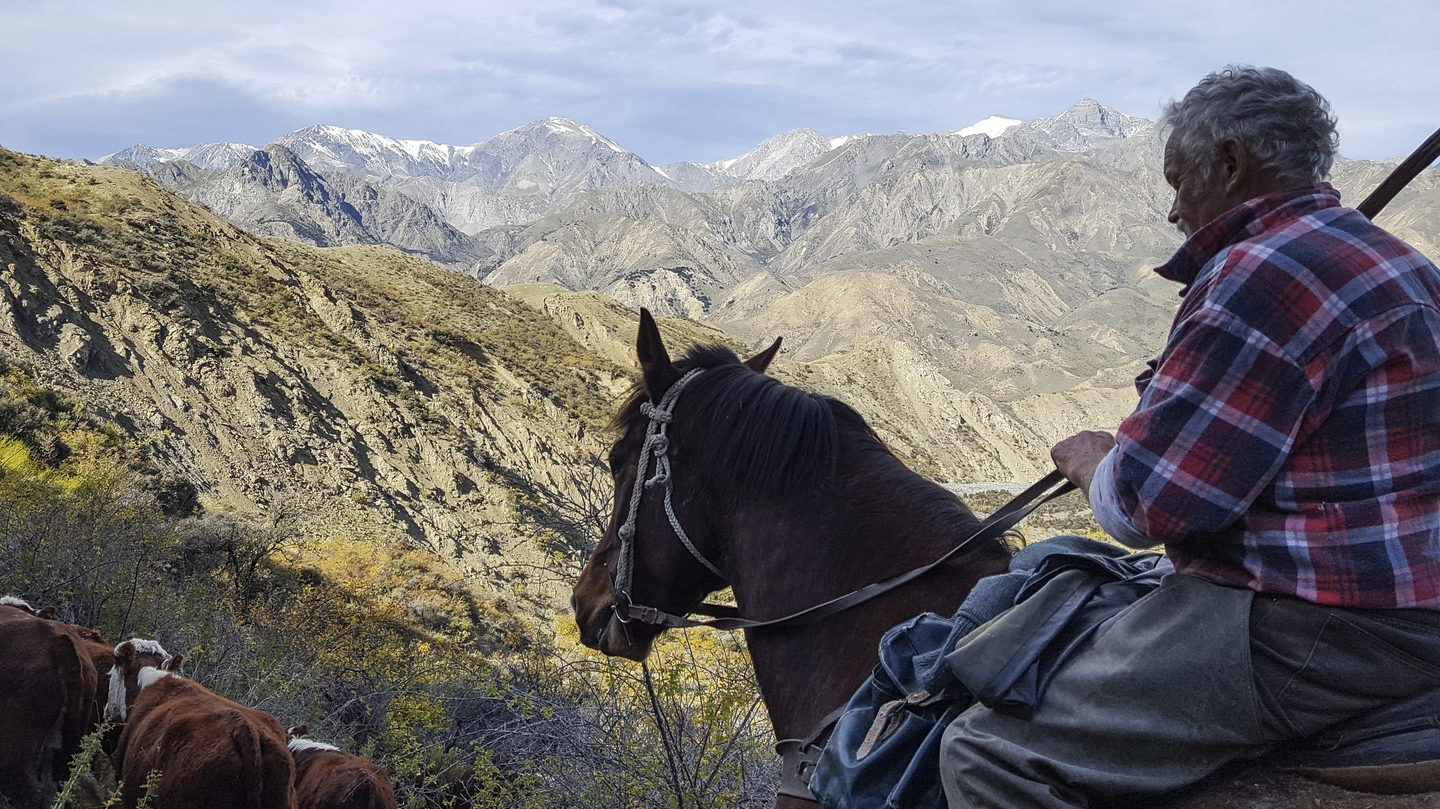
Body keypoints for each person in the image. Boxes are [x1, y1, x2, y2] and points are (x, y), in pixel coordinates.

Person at [939, 65, 1440, 808]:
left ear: (1231, 162)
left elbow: (1150, 509)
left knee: (986, 752)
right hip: (1412, 598)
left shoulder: (1260, 275)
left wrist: (1096, 464)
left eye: (1179, 182)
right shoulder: (1402, 262)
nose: (1174, 210)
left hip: (1323, 621)